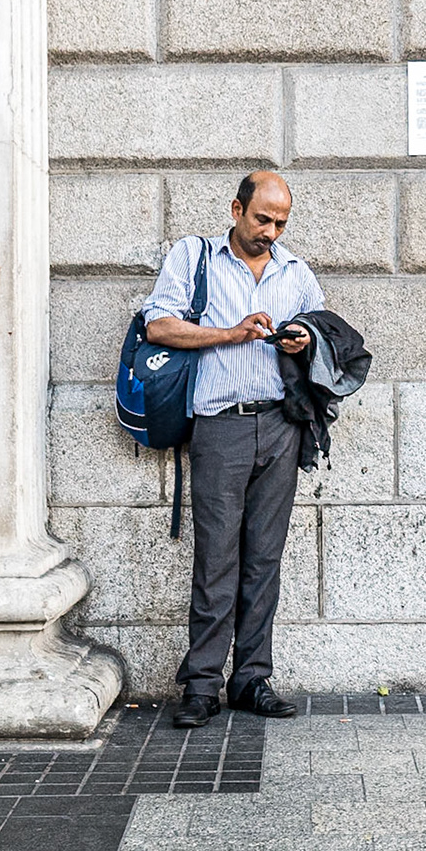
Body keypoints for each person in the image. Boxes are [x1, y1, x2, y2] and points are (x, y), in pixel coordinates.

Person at [143, 171, 323, 728]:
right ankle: (201, 686)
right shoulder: (196, 257)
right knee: (215, 558)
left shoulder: (296, 272)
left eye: (280, 223)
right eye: (262, 219)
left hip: (279, 426)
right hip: (219, 427)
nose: (271, 231)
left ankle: (251, 679)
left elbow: (325, 334)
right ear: (237, 209)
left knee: (264, 560)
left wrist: (305, 340)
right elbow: (158, 326)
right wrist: (232, 332)